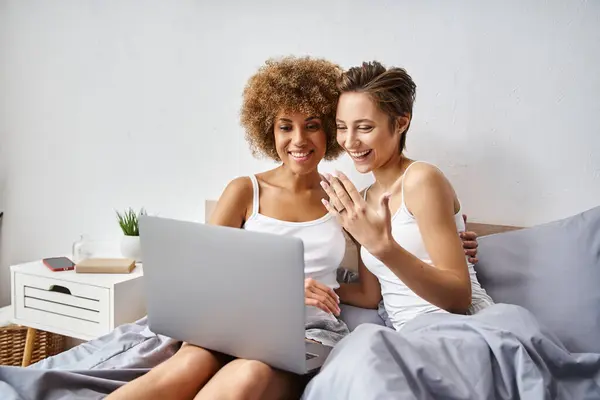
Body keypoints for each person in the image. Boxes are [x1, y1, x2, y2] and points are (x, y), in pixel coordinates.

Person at [107, 57, 480, 400]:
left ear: (327, 134)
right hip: (234, 319)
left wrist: (440, 240)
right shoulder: (245, 191)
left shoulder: (343, 199)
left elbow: (366, 288)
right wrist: (285, 288)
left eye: (313, 126)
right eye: (286, 127)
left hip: (306, 334)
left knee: (247, 377)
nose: (299, 140)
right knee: (188, 365)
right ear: (268, 129)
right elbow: (204, 277)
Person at [321, 61, 494, 332]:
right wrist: (311, 287)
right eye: (342, 127)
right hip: (409, 336)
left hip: (461, 328)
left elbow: (460, 299)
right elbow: (370, 296)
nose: (349, 141)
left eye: (364, 127)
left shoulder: (422, 180)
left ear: (401, 122)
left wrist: (385, 248)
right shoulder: (363, 200)